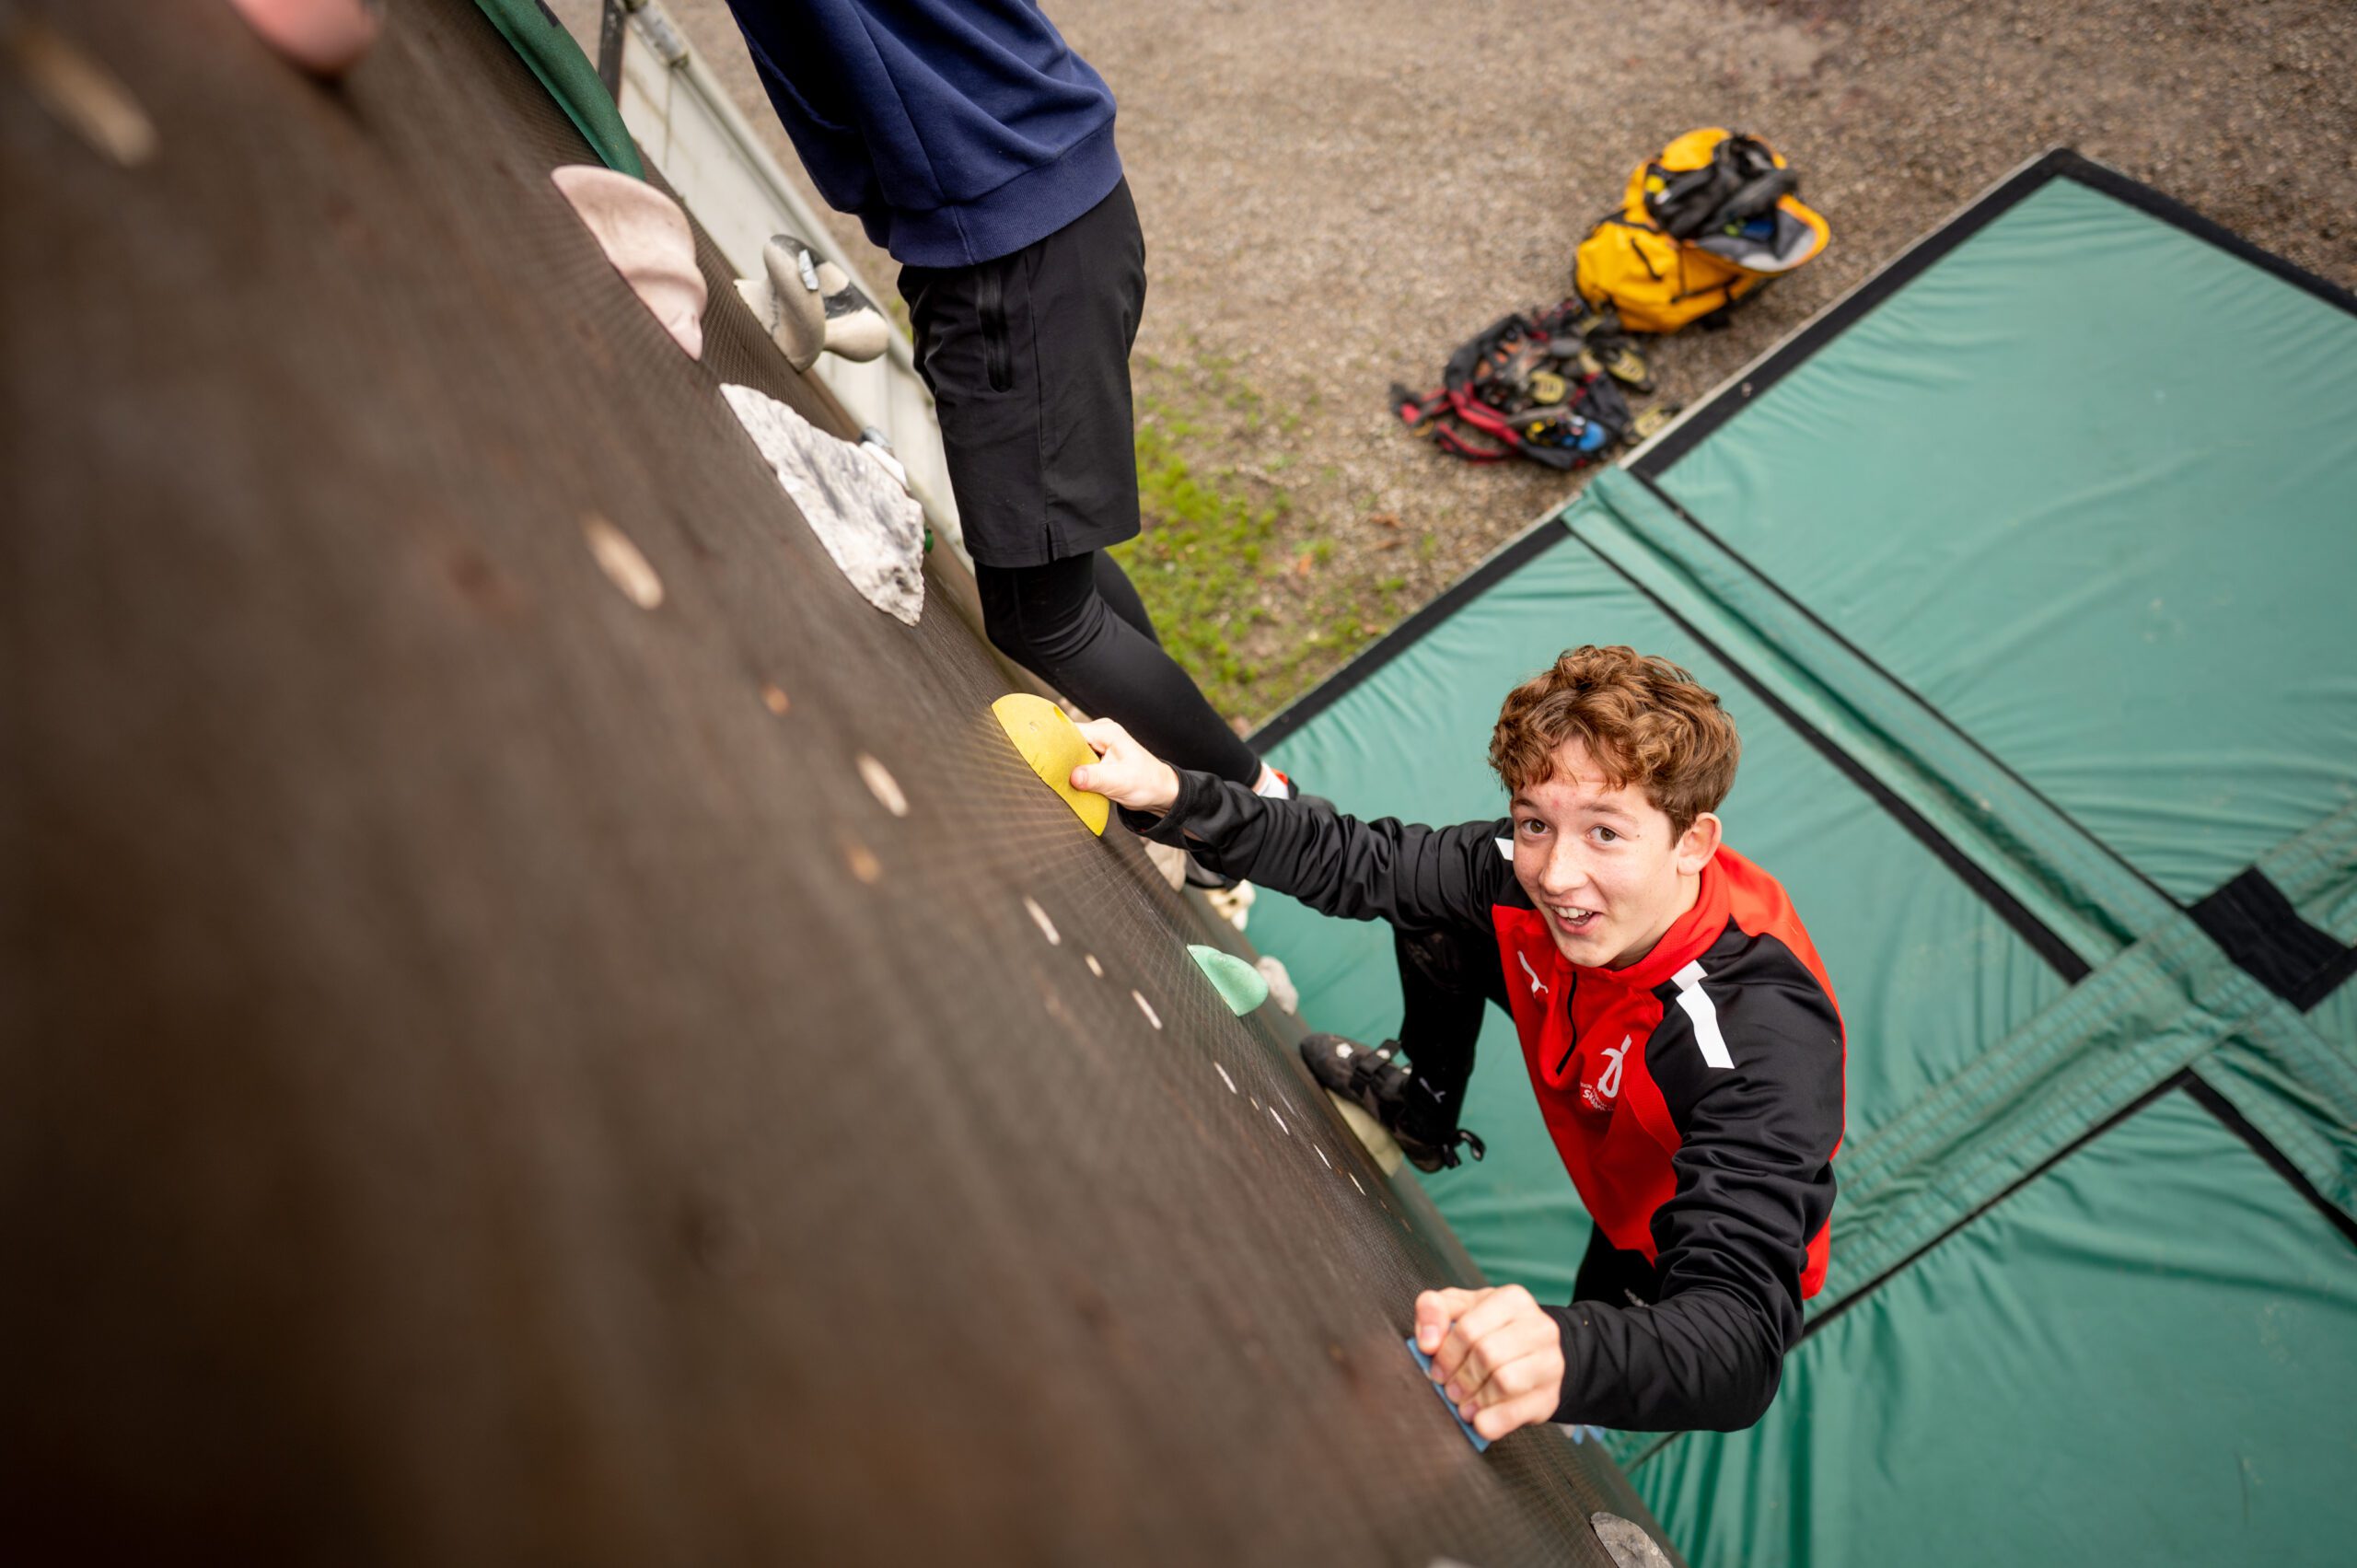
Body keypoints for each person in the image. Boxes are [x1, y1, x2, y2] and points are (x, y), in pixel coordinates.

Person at [1070, 645, 1847, 1439]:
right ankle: (1425, 1112)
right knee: (1432, 904)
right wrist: (1172, 795)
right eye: (1535, 821)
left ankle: (1568, 1418)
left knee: (1589, 1341)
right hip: (1598, 1062)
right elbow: (1363, 858)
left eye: (1606, 832)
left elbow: (1739, 1338)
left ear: (1693, 843)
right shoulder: (1520, 869)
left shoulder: (1762, 1037)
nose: (1557, 873)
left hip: (1662, 1211)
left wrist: (1570, 1354)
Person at [718, 0, 1290, 800]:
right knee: (1052, 567)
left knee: (1041, 617)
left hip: (1010, 252)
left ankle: (1253, 809)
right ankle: (1192, 771)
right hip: (1045, 204)